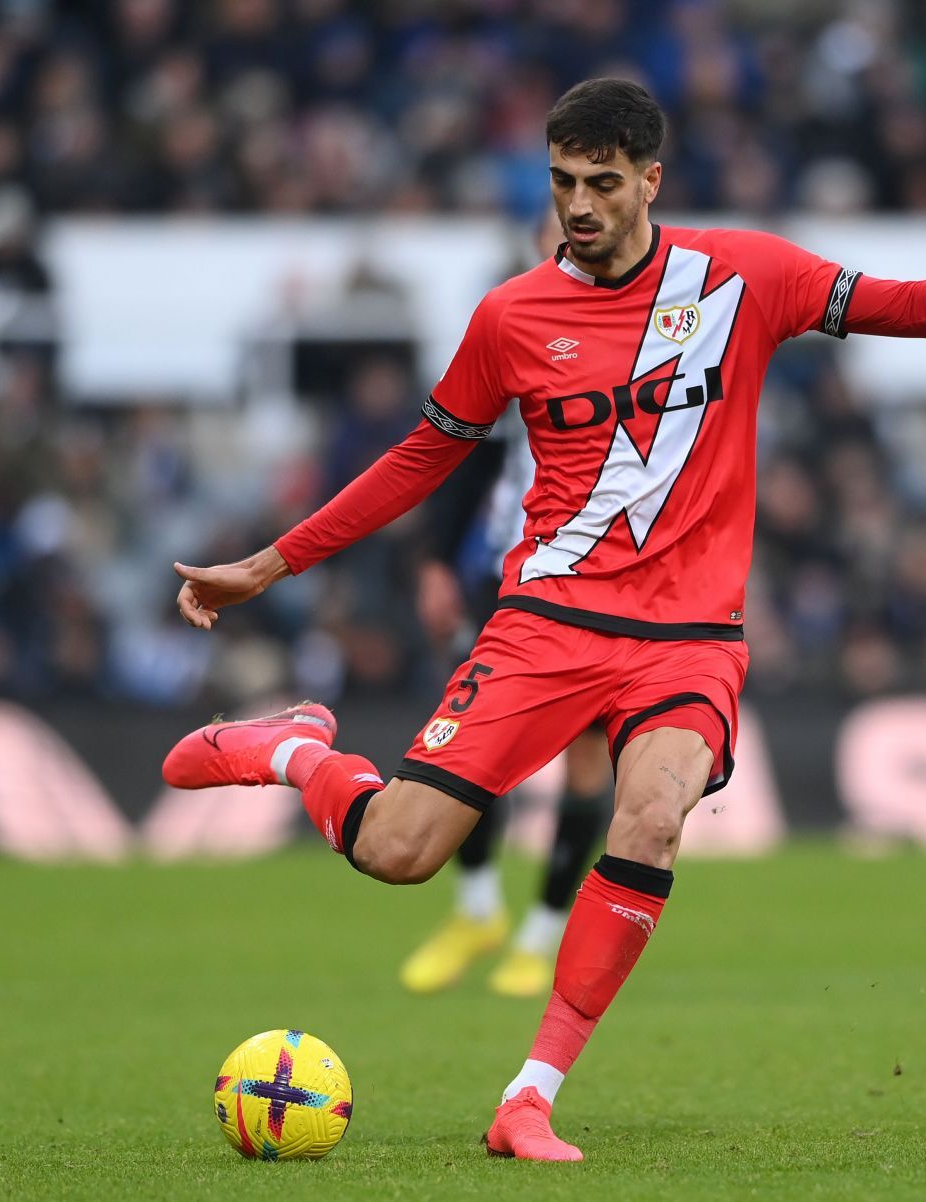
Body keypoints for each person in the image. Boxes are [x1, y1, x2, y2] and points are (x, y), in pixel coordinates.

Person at [159, 77, 926, 1161]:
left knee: (648, 819)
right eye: (562, 182)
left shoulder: (744, 275)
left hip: (692, 635)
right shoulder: (511, 315)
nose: (579, 206)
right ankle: (296, 753)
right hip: (548, 617)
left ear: (652, 179)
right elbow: (422, 458)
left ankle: (530, 1095)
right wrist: (268, 564)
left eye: (602, 183)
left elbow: (901, 306)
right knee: (402, 851)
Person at [398, 208, 615, 997]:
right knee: (475, 741)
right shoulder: (516, 321)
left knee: (588, 754)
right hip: (509, 569)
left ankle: (542, 934)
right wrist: (432, 563)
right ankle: (479, 908)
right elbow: (460, 452)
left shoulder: (645, 322)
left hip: (601, 574)